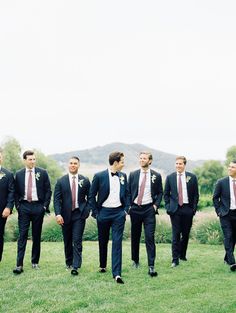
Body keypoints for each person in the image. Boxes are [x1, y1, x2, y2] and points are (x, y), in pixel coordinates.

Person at [89, 151, 128, 284]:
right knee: (103, 240)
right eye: (122, 161)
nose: (123, 164)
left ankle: (117, 274)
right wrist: (96, 213)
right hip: (103, 213)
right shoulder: (99, 176)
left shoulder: (123, 176)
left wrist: (125, 210)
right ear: (116, 162)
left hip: (119, 213)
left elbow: (127, 194)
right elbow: (91, 196)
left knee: (117, 242)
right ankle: (103, 265)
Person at [13, 150, 52, 274]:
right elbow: (15, 192)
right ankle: (19, 264)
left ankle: (35, 262)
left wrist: (44, 207)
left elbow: (48, 191)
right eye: (30, 159)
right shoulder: (18, 174)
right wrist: (18, 206)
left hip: (38, 207)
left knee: (36, 235)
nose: (32, 161)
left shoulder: (43, 173)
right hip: (24, 207)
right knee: (22, 235)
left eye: (34, 159)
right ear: (24, 160)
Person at [54, 156, 91, 276]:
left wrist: (86, 210)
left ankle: (76, 265)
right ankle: (68, 262)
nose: (73, 165)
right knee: (67, 240)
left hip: (79, 215)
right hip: (65, 215)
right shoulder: (61, 181)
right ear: (68, 165)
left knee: (77, 240)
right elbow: (56, 199)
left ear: (79, 165)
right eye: (71, 163)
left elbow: (90, 197)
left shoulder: (84, 180)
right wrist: (58, 214)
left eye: (75, 163)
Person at [128, 152, 163, 277]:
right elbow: (128, 191)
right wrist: (129, 207)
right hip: (135, 209)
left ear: (150, 161)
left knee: (149, 237)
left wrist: (155, 206)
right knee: (135, 236)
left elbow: (160, 193)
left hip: (149, 209)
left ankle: (151, 265)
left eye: (144, 158)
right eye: (141, 158)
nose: (142, 160)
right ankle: (135, 260)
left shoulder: (156, 176)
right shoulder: (133, 174)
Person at [164, 156, 199, 267]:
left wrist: (193, 209)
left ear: (184, 165)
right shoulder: (170, 177)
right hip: (175, 210)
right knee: (176, 234)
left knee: (186, 234)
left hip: (187, 209)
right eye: (177, 164)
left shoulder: (192, 177)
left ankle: (182, 255)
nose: (178, 165)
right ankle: (175, 259)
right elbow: (166, 194)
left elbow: (195, 195)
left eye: (180, 164)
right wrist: (168, 207)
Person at [213, 160, 236, 272]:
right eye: (229, 167)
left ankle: (227, 258)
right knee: (228, 236)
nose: (229, 169)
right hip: (225, 214)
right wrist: (219, 211)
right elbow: (215, 198)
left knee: (234, 238)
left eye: (232, 167)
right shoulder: (221, 182)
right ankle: (232, 262)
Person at [0, 149, 15, 262]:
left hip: (2, 211)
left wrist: (8, 207)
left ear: (2, 157)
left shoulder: (8, 174)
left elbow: (11, 192)